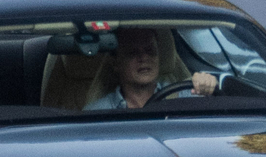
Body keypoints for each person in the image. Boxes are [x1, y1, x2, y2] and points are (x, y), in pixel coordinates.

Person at [87, 27, 218, 111]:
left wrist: (208, 84)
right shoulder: (98, 112)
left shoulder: (186, 97)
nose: (144, 57)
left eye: (150, 51)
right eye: (133, 52)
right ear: (116, 63)